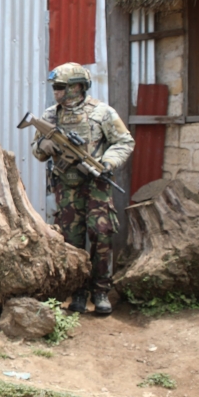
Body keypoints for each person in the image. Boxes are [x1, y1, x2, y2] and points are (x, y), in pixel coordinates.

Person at [31, 62, 135, 315]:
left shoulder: (102, 112)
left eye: (60, 87)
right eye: (55, 87)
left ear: (77, 87)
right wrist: (44, 147)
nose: (55, 91)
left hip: (97, 184)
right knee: (72, 240)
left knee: (101, 234)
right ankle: (77, 291)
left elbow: (124, 142)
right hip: (66, 187)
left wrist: (107, 163)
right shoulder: (50, 116)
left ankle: (100, 291)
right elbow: (36, 150)